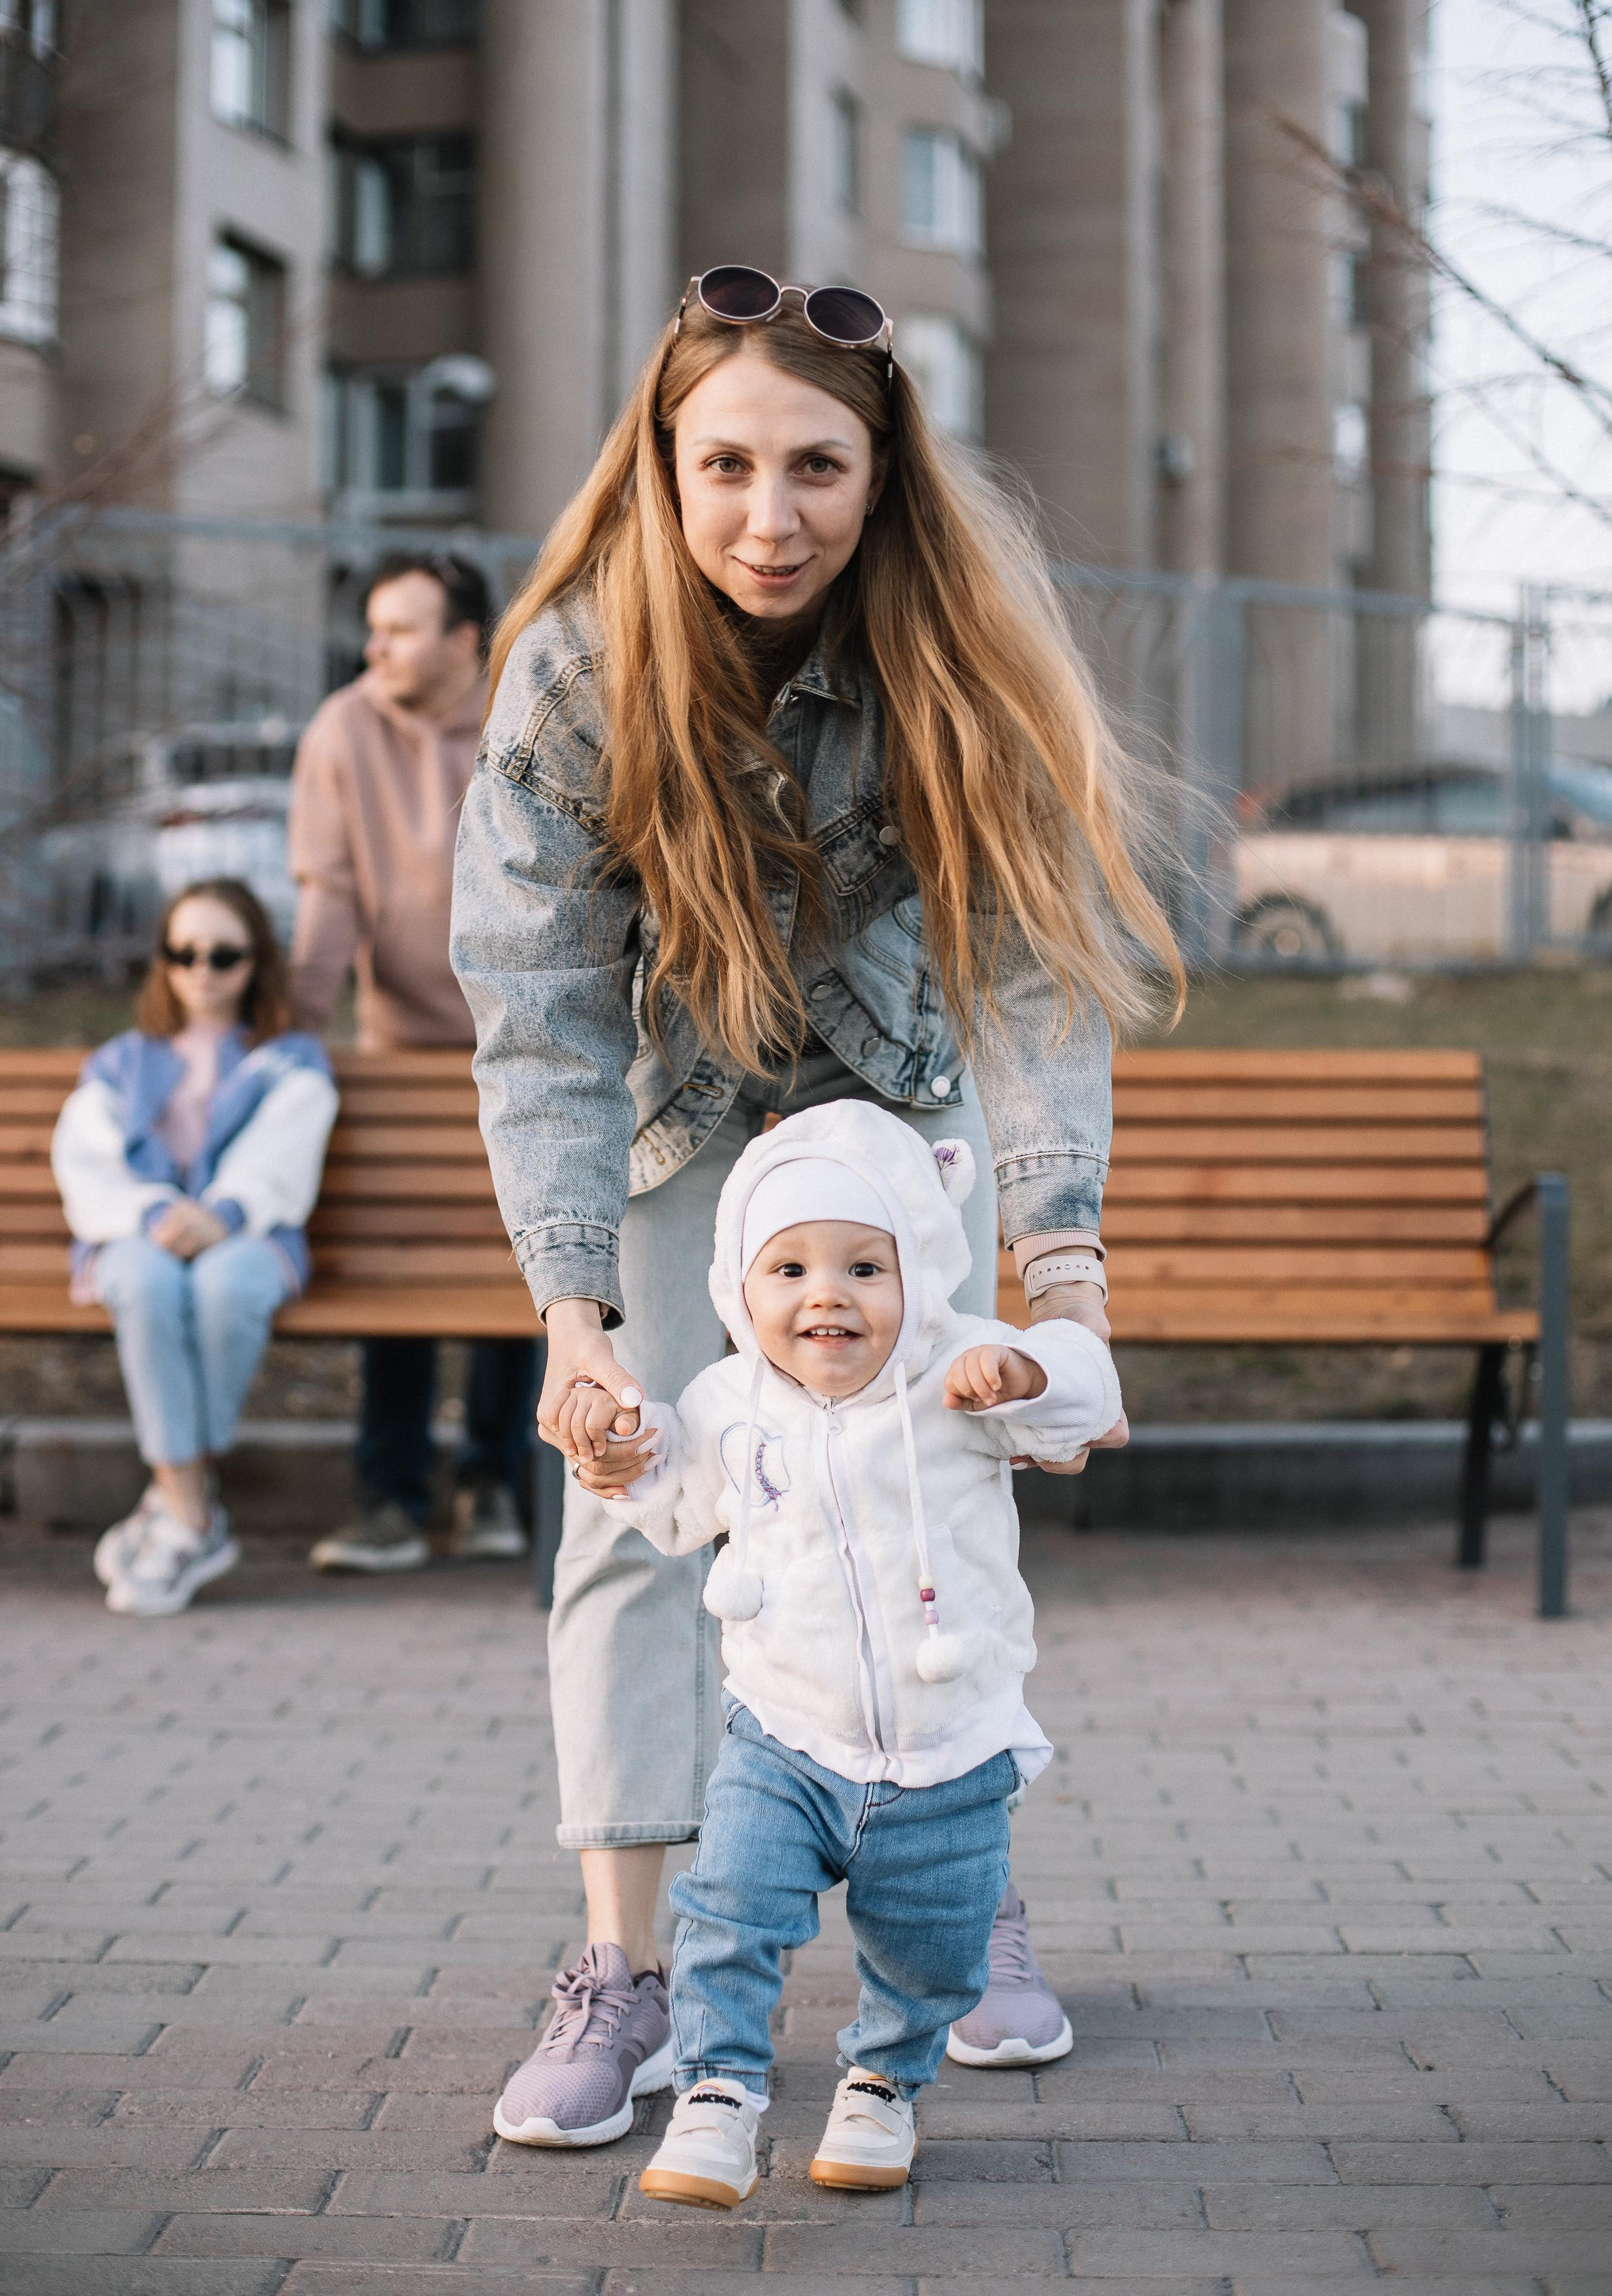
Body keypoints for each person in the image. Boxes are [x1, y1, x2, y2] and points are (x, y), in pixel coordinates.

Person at [452, 266, 1178, 2146]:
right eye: (726, 468)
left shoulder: (957, 646)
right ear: (660, 468)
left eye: (816, 469)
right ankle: (626, 1964)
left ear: (882, 473)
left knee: (924, 1505)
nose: (768, 518)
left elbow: (1029, 967)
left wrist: (1058, 1259)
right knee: (625, 1516)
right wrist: (578, 1316)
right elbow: (534, 1016)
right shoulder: (578, 675)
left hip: (898, 1129)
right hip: (683, 1140)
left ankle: (952, 1900)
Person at [561, 1103, 1125, 2204]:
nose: (827, 1294)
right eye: (789, 1270)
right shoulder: (731, 1401)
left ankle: (883, 2085)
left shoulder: (960, 1367)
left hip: (948, 1745)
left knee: (933, 1952)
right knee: (726, 1915)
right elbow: (673, 1503)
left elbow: (1088, 1392)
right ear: (739, 1289)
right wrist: (620, 1461)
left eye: (865, 1267)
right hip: (784, 1731)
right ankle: (717, 2095)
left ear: (916, 1275)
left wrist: (1025, 1373)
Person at [288, 552, 537, 1572]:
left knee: (521, 1271)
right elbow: (326, 898)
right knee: (390, 1268)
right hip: (396, 1051)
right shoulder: (341, 729)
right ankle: (387, 1496)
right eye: (373, 628)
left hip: (524, 1049)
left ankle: (491, 1484)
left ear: (463, 641)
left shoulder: (522, 714)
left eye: (399, 629)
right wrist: (296, 1039)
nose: (374, 647)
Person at [51, 879, 338, 1618]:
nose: (201, 969)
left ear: (255, 962)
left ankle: (173, 1503)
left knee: (226, 1285)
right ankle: (191, 1513)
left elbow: (285, 1151)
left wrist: (223, 1211)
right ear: (164, 962)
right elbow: (86, 1158)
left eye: (223, 953)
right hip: (136, 1233)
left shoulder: (289, 1059)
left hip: (246, 1235)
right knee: (145, 1285)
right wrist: (151, 1210)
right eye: (183, 953)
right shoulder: (122, 1062)